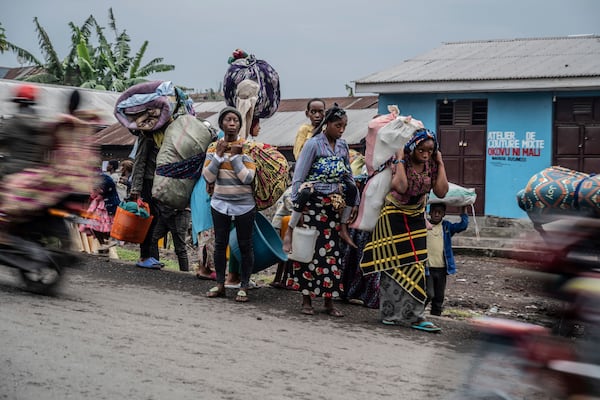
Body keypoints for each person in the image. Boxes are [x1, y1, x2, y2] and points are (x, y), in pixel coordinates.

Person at [360, 128, 448, 333]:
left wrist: (441, 162)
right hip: (393, 216)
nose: (426, 155)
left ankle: (415, 316)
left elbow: (442, 191)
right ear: (412, 147)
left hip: (415, 216)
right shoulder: (400, 162)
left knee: (416, 266)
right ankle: (390, 314)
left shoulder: (432, 165)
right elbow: (400, 186)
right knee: (391, 266)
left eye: (430, 150)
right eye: (421, 150)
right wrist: (400, 159)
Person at [287, 104, 359, 317]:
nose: (342, 130)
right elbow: (299, 177)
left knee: (332, 254)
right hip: (313, 206)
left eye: (344, 126)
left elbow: (347, 175)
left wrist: (353, 199)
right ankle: (306, 299)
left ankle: (329, 301)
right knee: (309, 251)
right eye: (338, 125)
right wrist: (297, 206)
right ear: (327, 124)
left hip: (333, 207)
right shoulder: (313, 145)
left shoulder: (343, 146)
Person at [203, 107, 256, 303]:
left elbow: (247, 178)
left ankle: (244, 285)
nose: (232, 123)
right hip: (220, 203)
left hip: (244, 205)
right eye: (228, 120)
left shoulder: (248, 148)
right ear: (221, 124)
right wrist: (218, 156)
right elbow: (207, 176)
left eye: (235, 120)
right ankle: (220, 284)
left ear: (240, 125)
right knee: (219, 245)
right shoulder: (212, 148)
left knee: (245, 245)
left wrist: (235, 158)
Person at [426, 203, 468, 316]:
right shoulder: (424, 225)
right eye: (434, 211)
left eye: (439, 212)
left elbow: (462, 226)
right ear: (429, 212)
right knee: (429, 293)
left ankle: (436, 317)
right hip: (427, 269)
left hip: (442, 269)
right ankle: (417, 312)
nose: (436, 214)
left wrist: (464, 210)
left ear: (444, 214)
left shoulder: (446, 227)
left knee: (439, 297)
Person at [150, 203, 191, 272]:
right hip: (165, 211)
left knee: (180, 248)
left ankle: (184, 273)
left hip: (180, 212)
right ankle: (155, 265)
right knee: (152, 238)